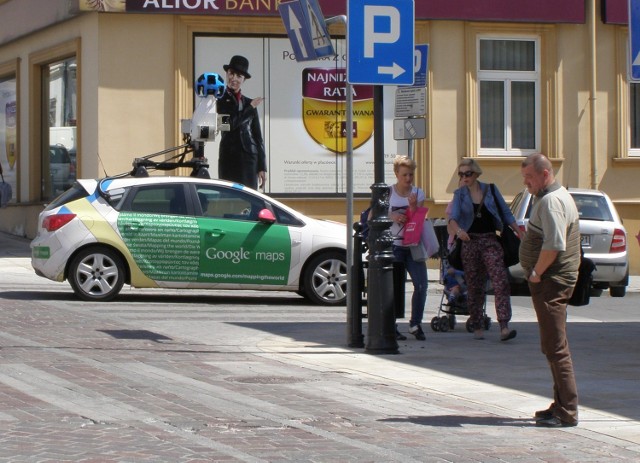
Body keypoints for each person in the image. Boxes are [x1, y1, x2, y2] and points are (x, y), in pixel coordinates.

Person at [519, 153, 581, 428]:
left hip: (551, 282)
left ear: (545, 175)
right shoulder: (554, 197)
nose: (526, 183)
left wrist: (536, 273)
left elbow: (555, 245)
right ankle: (559, 404)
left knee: (556, 348)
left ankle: (567, 411)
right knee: (552, 345)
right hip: (552, 281)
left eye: (530, 178)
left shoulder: (552, 201)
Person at [447, 159, 524, 341]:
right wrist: (459, 231)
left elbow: (506, 213)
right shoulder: (460, 194)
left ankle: (504, 325)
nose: (464, 177)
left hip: (490, 240)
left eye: (467, 173)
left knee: (500, 280)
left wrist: (518, 231)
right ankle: (477, 323)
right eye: (461, 174)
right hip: (470, 242)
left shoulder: (490, 190)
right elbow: (453, 218)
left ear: (476, 173)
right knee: (475, 286)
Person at [388, 155, 428, 341]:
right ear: (397, 174)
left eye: (411, 175)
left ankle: (415, 323)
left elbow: (417, 219)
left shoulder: (418, 193)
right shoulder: (388, 192)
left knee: (421, 284)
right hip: (395, 244)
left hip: (413, 245)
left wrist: (412, 208)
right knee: (395, 287)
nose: (408, 179)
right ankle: (392, 325)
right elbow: (373, 213)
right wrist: (393, 216)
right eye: (404, 175)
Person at [217, 55, 266, 190]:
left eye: (239, 76)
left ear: (244, 79)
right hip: (229, 158)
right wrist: (250, 108)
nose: (234, 78)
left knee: (250, 200)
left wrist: (262, 166)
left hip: (249, 159)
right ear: (227, 74)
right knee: (228, 199)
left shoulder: (249, 103)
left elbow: (258, 137)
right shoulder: (219, 100)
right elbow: (227, 125)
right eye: (231, 73)